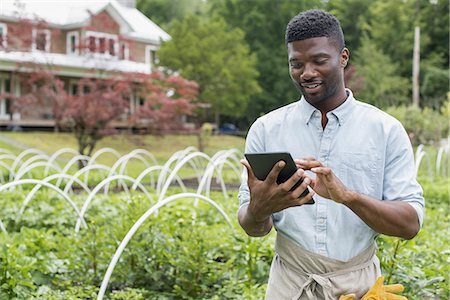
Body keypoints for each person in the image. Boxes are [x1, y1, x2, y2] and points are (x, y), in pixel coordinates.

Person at [237, 9, 424, 299]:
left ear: (343, 58)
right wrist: (259, 209)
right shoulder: (266, 129)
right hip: (290, 285)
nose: (307, 73)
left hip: (360, 286)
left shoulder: (385, 130)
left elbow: (409, 224)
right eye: (296, 64)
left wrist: (348, 197)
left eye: (319, 61)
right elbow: (252, 227)